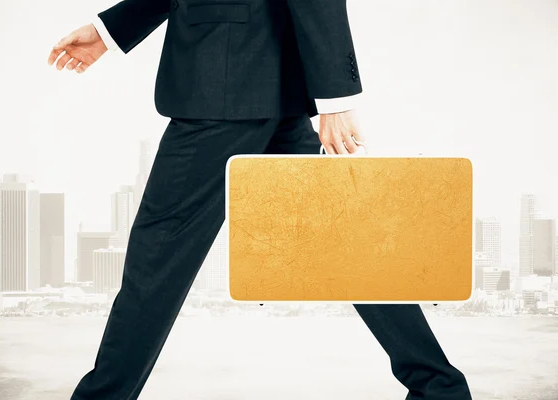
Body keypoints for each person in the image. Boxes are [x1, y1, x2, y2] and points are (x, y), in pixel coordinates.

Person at [47, 1, 472, 399]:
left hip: (224, 85)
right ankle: (439, 388)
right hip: (266, 81)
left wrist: (337, 99)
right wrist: (112, 29)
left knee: (156, 260)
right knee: (346, 244)